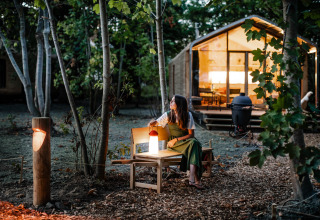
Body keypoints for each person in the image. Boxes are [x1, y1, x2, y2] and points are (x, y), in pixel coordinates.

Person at [149, 94, 204, 189]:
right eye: (171, 100)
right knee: (195, 145)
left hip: (185, 141)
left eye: (173, 101)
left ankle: (192, 178)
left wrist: (177, 139)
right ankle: (196, 180)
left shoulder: (188, 115)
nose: (170, 102)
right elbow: (156, 123)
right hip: (173, 144)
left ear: (179, 104)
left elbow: (191, 135)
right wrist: (152, 122)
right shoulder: (168, 115)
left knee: (194, 143)